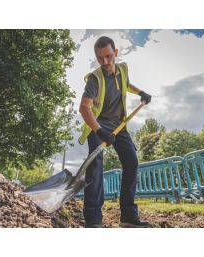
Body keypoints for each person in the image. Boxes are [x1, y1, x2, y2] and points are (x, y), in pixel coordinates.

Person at [78, 36, 152, 228]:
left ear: (116, 53)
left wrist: (140, 92)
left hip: (120, 125)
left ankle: (128, 216)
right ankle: (93, 219)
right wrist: (100, 130)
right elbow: (84, 108)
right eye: (100, 58)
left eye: (109, 56)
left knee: (131, 162)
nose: (105, 62)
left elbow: (126, 83)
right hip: (98, 126)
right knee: (95, 166)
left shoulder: (123, 69)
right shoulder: (95, 79)